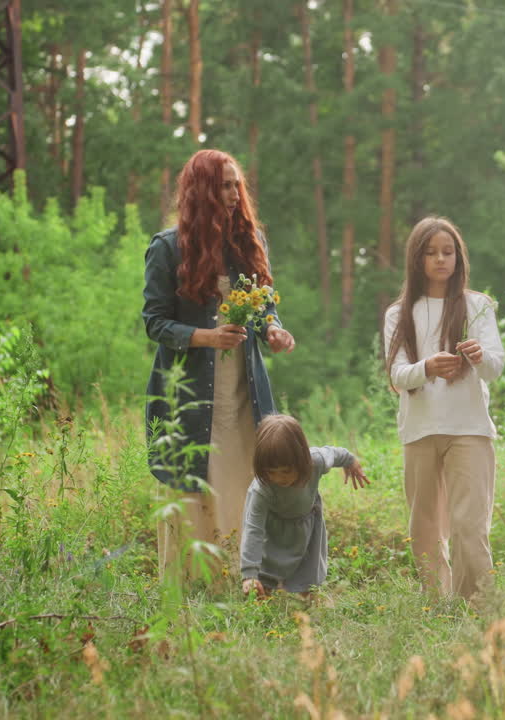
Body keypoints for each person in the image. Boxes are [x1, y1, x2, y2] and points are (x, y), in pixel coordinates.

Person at [143, 149, 297, 581]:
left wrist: (273, 329)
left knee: (246, 485)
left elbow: (264, 304)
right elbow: (154, 322)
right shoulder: (167, 248)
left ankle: (244, 582)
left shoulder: (251, 243)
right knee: (191, 488)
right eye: (224, 185)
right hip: (188, 398)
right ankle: (192, 589)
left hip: (243, 395)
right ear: (202, 191)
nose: (233, 194)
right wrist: (207, 338)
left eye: (237, 185)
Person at [383, 217, 505, 599]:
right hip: (420, 431)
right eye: (431, 253)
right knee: (424, 527)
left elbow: (495, 368)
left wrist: (479, 354)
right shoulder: (399, 312)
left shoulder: (477, 305)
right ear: (417, 259)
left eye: (448, 252)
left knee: (470, 525)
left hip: (469, 429)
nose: (440, 260)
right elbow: (398, 374)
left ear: (459, 257)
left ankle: (477, 607)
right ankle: (436, 605)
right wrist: (428, 368)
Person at [240, 414, 369, 597]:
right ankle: (262, 608)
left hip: (306, 526)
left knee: (308, 574)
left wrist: (351, 462)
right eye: (271, 472)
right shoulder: (262, 490)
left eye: (286, 471)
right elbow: (253, 530)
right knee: (265, 576)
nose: (279, 478)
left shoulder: (315, 461)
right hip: (274, 530)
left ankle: (311, 606)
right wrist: (249, 574)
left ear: (302, 461)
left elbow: (335, 453)